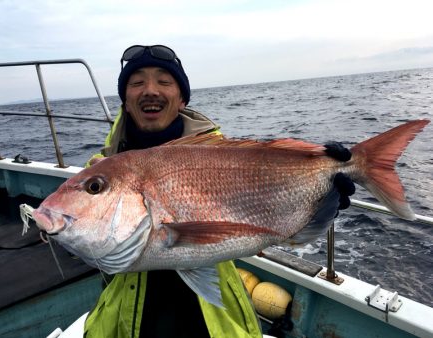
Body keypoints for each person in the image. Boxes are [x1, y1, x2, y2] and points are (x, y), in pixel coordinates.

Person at [83, 44, 355, 338]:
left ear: (182, 99)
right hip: (124, 321)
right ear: (125, 99)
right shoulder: (99, 169)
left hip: (216, 320)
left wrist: (321, 200)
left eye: (164, 81)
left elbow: (285, 233)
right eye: (137, 83)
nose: (150, 90)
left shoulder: (223, 154)